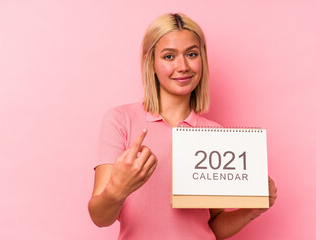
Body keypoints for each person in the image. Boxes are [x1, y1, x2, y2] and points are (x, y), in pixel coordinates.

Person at [88, 13, 277, 240]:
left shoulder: (215, 134)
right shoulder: (120, 120)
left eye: (191, 54)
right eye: (169, 56)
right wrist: (118, 189)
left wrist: (252, 209)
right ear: (152, 62)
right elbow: (100, 217)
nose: (183, 66)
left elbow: (212, 226)